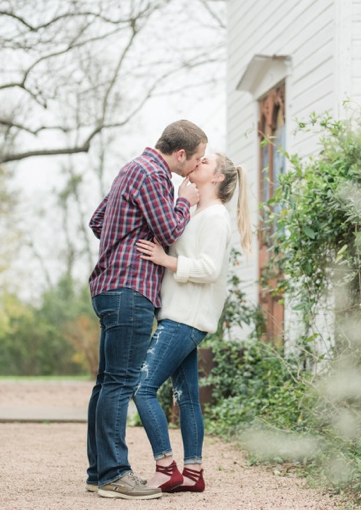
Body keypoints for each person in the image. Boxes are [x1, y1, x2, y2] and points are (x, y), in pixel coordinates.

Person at [86, 120, 207, 500]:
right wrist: (184, 202)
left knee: (107, 383)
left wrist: (129, 238)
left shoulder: (130, 169)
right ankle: (114, 475)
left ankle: (98, 472)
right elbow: (170, 230)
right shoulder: (154, 174)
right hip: (131, 290)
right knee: (121, 384)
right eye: (197, 159)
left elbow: (97, 221)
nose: (196, 168)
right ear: (182, 153)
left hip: (109, 288)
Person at [132, 152, 252, 493]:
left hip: (186, 319)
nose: (197, 163)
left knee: (142, 388)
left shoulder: (215, 216)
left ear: (217, 178)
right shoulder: (198, 212)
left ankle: (165, 467)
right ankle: (193, 474)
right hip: (178, 314)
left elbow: (209, 269)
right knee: (186, 397)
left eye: (205, 162)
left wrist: (165, 259)